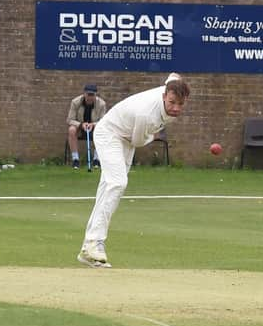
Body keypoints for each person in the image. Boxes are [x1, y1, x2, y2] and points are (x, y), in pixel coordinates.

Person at [77, 73, 190, 268]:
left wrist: (178, 78)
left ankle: (89, 247)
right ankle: (94, 244)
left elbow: (172, 76)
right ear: (164, 95)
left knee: (108, 188)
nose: (176, 108)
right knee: (117, 183)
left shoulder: (170, 89)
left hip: (126, 139)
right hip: (110, 134)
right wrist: (152, 137)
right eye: (172, 103)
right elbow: (138, 141)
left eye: (180, 104)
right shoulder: (146, 113)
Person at [66, 84, 107, 169]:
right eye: (88, 94)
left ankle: (97, 159)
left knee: (103, 130)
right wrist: (81, 125)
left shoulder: (102, 104)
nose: (90, 97)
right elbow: (70, 120)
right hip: (80, 127)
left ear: (96, 95)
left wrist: (93, 124)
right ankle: (75, 159)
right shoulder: (75, 102)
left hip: (94, 128)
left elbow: (103, 121)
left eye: (92, 95)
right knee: (71, 129)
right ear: (84, 94)